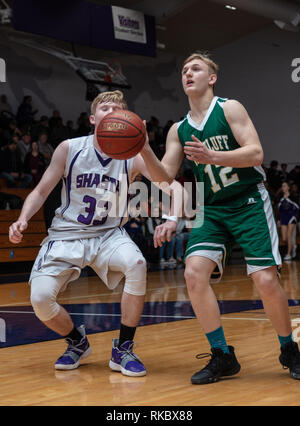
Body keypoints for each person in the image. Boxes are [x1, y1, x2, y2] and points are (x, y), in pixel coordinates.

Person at [153, 52, 300, 383]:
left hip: (248, 200)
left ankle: (289, 348)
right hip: (212, 208)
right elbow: (164, 174)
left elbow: (256, 153)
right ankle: (222, 355)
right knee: (193, 274)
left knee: (264, 279)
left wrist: (212, 155)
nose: (188, 73)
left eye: (196, 68)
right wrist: (141, 155)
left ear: (211, 78)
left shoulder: (229, 108)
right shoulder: (178, 130)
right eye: (184, 70)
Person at [9, 90, 172, 376]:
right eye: (104, 108)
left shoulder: (131, 155)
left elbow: (164, 181)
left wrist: (145, 147)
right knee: (40, 299)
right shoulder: (69, 148)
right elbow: (42, 190)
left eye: (117, 109)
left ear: (125, 119)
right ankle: (77, 341)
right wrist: (22, 218)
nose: (110, 111)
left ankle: (123, 348)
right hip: (66, 235)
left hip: (108, 234)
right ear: (94, 118)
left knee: (137, 264)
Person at [277, 181, 299, 261]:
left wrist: (295, 217)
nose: (283, 187)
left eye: (284, 186)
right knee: (284, 238)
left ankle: (289, 254)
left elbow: (297, 208)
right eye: (282, 186)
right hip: (283, 218)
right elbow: (279, 210)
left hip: (291, 218)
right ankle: (293, 245)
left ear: (288, 187)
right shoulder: (280, 198)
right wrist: (279, 220)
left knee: (289, 236)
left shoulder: (293, 197)